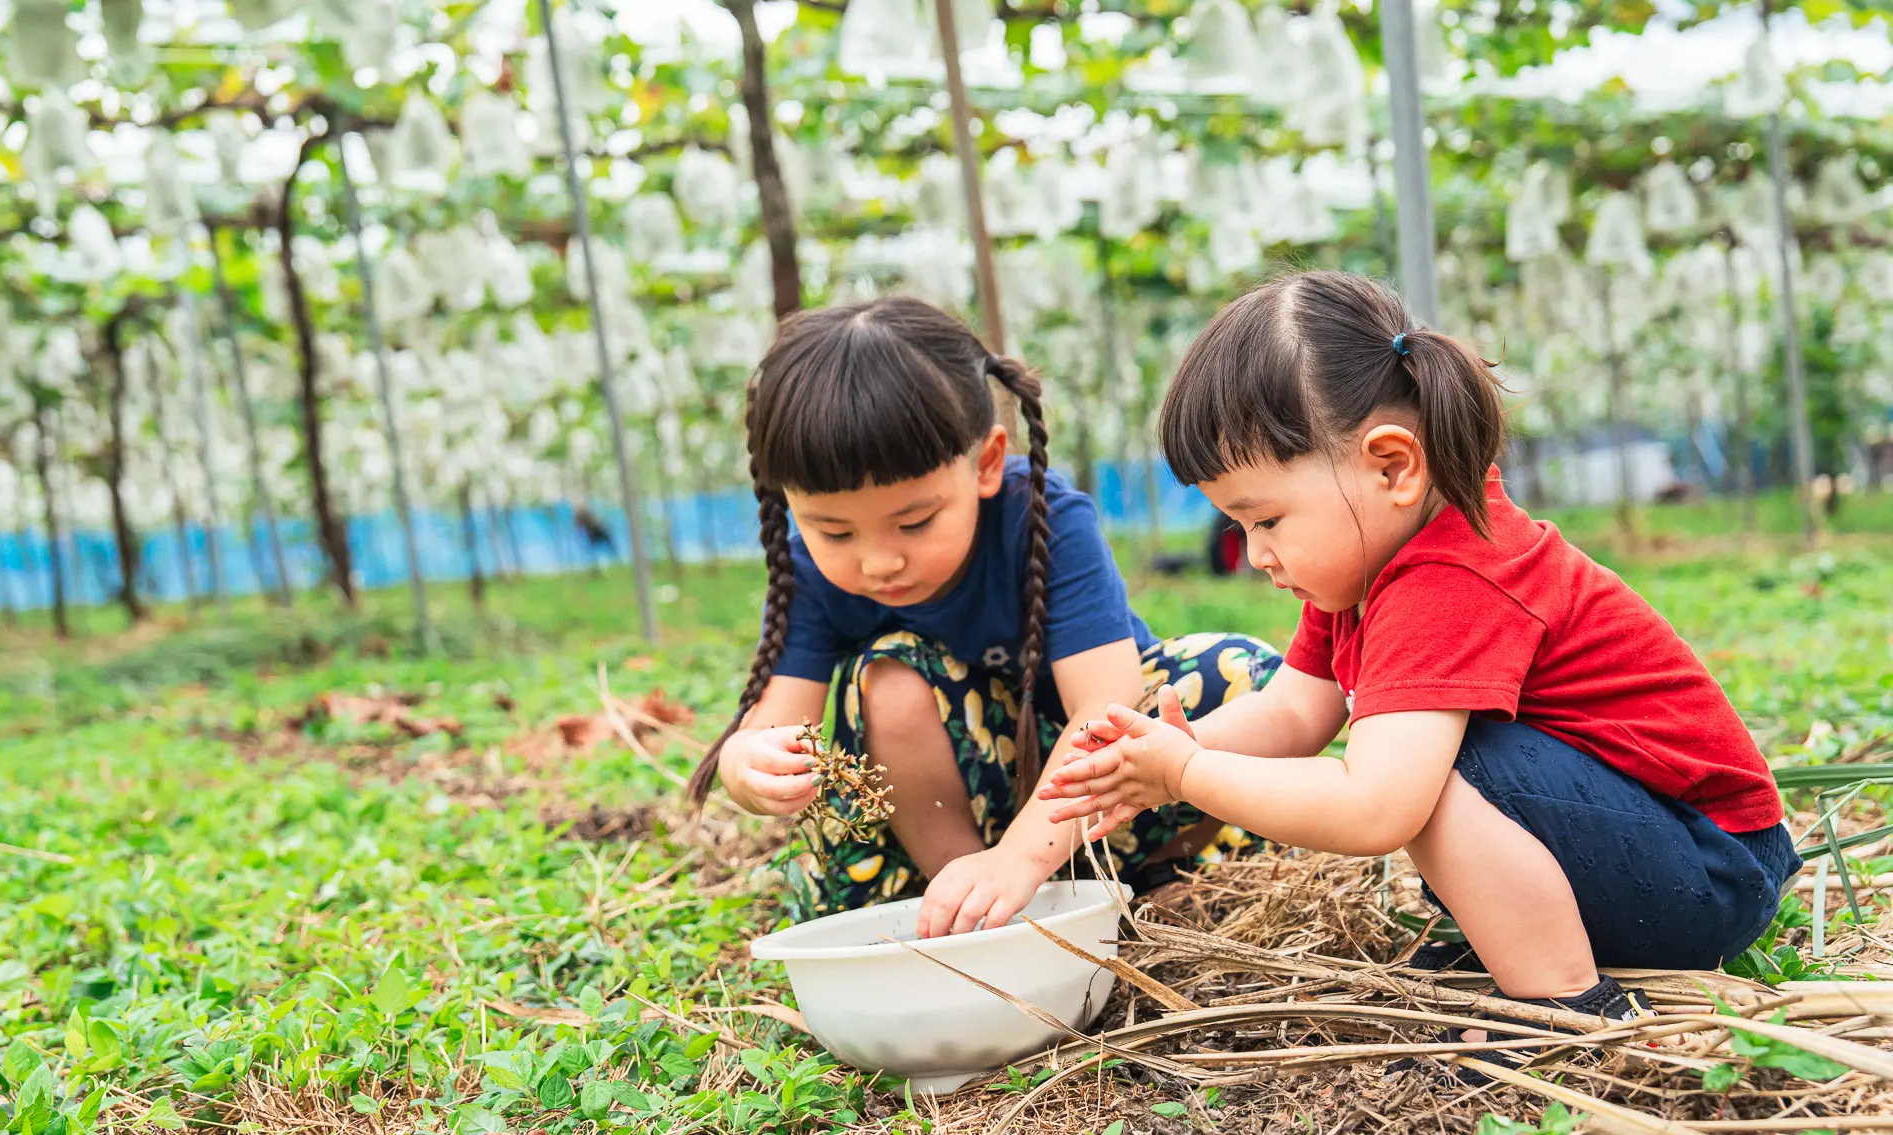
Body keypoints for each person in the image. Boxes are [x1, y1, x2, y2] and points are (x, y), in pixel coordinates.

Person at [1038, 271, 1800, 1063]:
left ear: (1394, 466)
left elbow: (1377, 808)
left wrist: (1191, 774)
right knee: (1423, 753)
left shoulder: (1451, 577)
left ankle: (1566, 1001)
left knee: (1420, 771)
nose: (1255, 553)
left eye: (1266, 519)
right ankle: (1528, 947)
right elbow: (1295, 713)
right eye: (1238, 524)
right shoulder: (1370, 568)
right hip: (1652, 850)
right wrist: (1162, 757)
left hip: (1709, 870)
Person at [685, 297, 1280, 936]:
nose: (879, 561)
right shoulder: (810, 573)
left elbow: (1106, 706)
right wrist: (749, 768)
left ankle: (1163, 876)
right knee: (888, 675)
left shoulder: (1043, 523)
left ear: (988, 464)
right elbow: (772, 729)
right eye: (833, 531)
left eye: (914, 521)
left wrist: (1024, 856)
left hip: (1103, 801)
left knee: (1240, 677)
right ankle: (970, 908)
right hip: (947, 817)